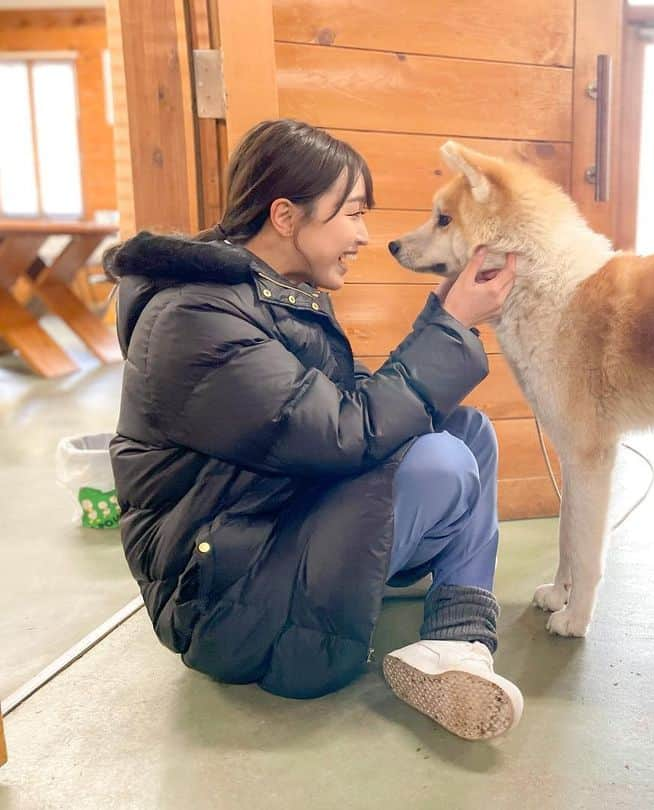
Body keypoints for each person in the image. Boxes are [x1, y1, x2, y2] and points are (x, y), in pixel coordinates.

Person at [106, 118, 521, 740]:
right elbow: (342, 434)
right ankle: (447, 649)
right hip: (222, 599)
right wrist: (453, 322)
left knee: (468, 432)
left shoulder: (277, 294)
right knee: (443, 460)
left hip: (275, 529)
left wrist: (444, 316)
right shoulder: (195, 318)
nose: (362, 235)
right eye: (351, 214)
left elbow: (344, 409)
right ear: (285, 215)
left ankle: (458, 639)